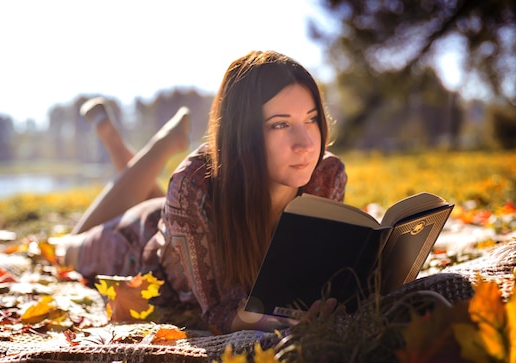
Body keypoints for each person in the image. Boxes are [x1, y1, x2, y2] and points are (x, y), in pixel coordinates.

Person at [59, 50, 348, 334]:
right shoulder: (192, 185)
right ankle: (154, 144)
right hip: (137, 244)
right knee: (66, 247)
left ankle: (126, 141)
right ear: (242, 133)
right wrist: (289, 323)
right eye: (280, 124)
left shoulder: (326, 176)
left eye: (311, 119)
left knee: (172, 201)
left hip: (181, 217)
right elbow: (220, 313)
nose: (306, 145)